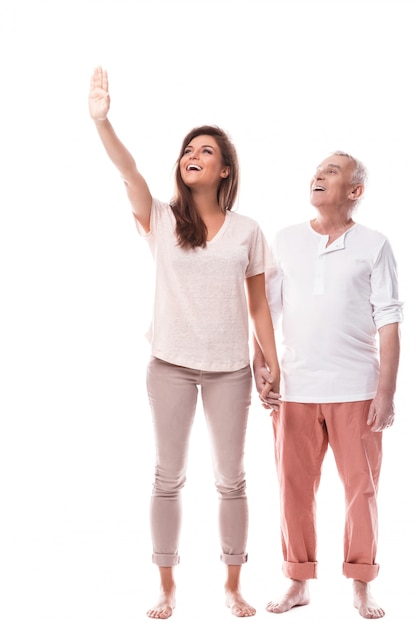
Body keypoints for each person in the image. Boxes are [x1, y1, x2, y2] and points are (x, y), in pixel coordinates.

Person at [88, 66, 280, 619]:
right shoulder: (163, 220)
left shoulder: (247, 230)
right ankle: (167, 584)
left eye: (205, 150)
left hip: (230, 370)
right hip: (169, 365)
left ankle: (233, 583)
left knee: (231, 478)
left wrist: (271, 362)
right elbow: (127, 172)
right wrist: (103, 122)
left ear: (225, 169)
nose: (192, 154)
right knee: (167, 475)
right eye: (187, 149)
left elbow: (259, 304)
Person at [253, 151, 403, 620]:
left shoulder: (375, 245)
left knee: (363, 490)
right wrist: (261, 363)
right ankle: (298, 580)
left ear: (354, 191)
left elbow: (390, 321)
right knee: (293, 488)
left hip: (356, 389)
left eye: (331, 172)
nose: (318, 176)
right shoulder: (287, 240)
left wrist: (386, 391)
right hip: (294, 390)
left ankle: (361, 583)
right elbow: (269, 312)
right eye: (317, 171)